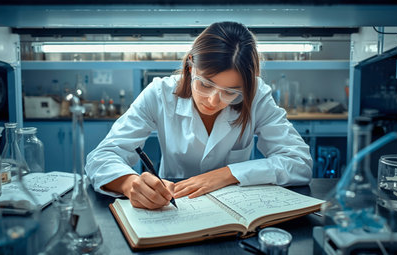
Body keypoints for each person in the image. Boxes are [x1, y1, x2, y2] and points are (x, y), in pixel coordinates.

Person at [85, 21, 312, 210]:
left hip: (235, 209)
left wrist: (228, 174)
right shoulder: (160, 93)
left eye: (231, 92)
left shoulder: (257, 96)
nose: (214, 100)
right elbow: (102, 157)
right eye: (205, 84)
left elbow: (299, 162)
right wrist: (129, 183)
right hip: (173, 207)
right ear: (191, 67)